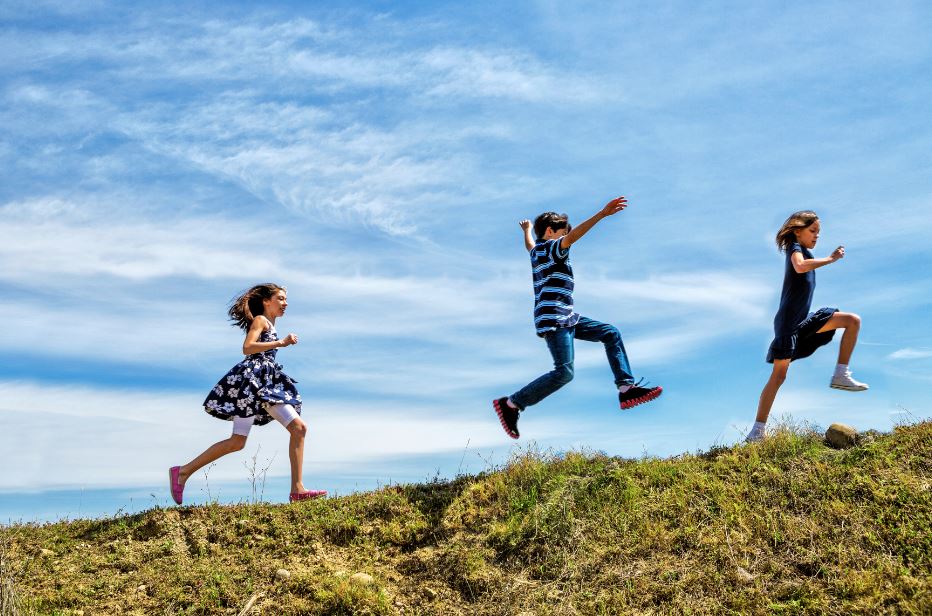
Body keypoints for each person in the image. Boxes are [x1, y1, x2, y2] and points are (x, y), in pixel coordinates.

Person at [492, 196, 663, 439]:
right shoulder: (553, 248)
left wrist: (527, 230)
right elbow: (572, 237)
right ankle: (511, 404)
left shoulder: (537, 252)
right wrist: (601, 215)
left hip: (566, 316)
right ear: (550, 232)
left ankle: (626, 388)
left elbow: (530, 246)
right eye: (562, 234)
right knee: (564, 372)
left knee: (610, 332)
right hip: (556, 318)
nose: (566, 240)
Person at [168, 283, 326, 503]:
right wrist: (281, 342)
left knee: (237, 442)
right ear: (266, 301)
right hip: (255, 384)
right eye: (280, 298)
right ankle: (297, 490)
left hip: (262, 383)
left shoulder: (271, 324)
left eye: (285, 299)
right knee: (298, 428)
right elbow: (247, 347)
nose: (285, 303)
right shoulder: (261, 321)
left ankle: (183, 472)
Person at [746, 211, 868, 443]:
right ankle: (757, 431)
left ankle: (840, 374)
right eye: (812, 231)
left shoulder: (806, 251)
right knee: (779, 376)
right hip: (788, 324)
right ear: (797, 231)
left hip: (803, 320)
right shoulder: (795, 249)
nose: (816, 236)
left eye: (819, 233)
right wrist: (831, 259)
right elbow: (800, 267)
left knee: (852, 320)